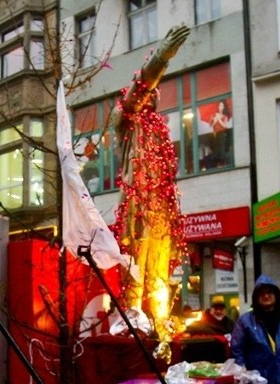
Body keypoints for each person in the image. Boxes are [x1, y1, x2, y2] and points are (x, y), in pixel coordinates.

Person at [111, 25, 190, 341]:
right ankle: (132, 318)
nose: (152, 95)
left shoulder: (161, 131)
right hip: (137, 207)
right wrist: (161, 58)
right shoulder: (126, 120)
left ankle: (159, 321)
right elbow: (138, 89)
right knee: (133, 267)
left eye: (156, 93)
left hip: (161, 210)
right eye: (149, 91)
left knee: (158, 273)